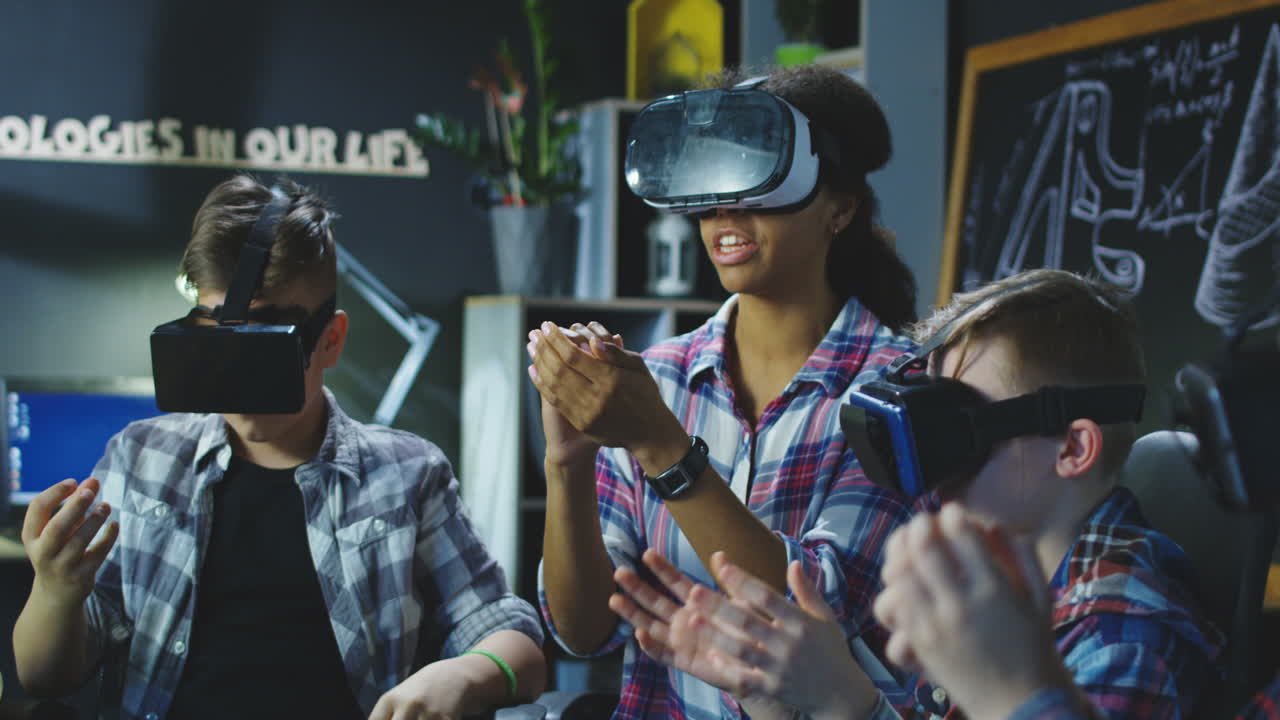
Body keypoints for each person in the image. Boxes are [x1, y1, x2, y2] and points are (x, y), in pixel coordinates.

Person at [12, 175, 546, 720]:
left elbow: (513, 638)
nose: (239, 385)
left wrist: (465, 673)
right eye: (218, 340)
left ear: (330, 340)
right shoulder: (141, 460)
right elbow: (45, 676)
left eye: (264, 348)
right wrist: (56, 591)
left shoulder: (408, 473)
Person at [613, 269, 1223, 719]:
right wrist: (782, 697)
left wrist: (842, 701)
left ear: (1071, 448)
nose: (928, 455)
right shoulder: (995, 587)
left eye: (958, 424)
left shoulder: (1123, 627)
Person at [528, 63, 921, 718]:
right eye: (713, 183)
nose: (726, 211)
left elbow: (811, 615)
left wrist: (662, 447)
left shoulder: (899, 389)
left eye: (761, 179)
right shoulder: (656, 378)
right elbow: (584, 632)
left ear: (841, 207)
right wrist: (567, 463)